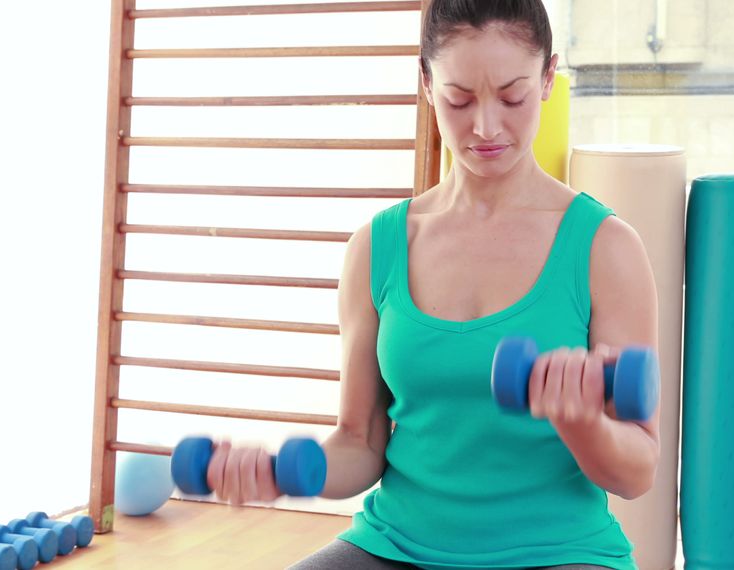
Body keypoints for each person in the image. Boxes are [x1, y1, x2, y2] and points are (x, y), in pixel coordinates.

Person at [205, 1, 660, 568]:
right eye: (460, 99)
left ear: (548, 79)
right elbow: (361, 444)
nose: (487, 126)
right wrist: (282, 472)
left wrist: (580, 419)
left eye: (513, 96)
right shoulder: (377, 247)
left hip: (558, 552)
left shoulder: (606, 248)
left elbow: (638, 471)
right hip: (396, 545)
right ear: (425, 83)